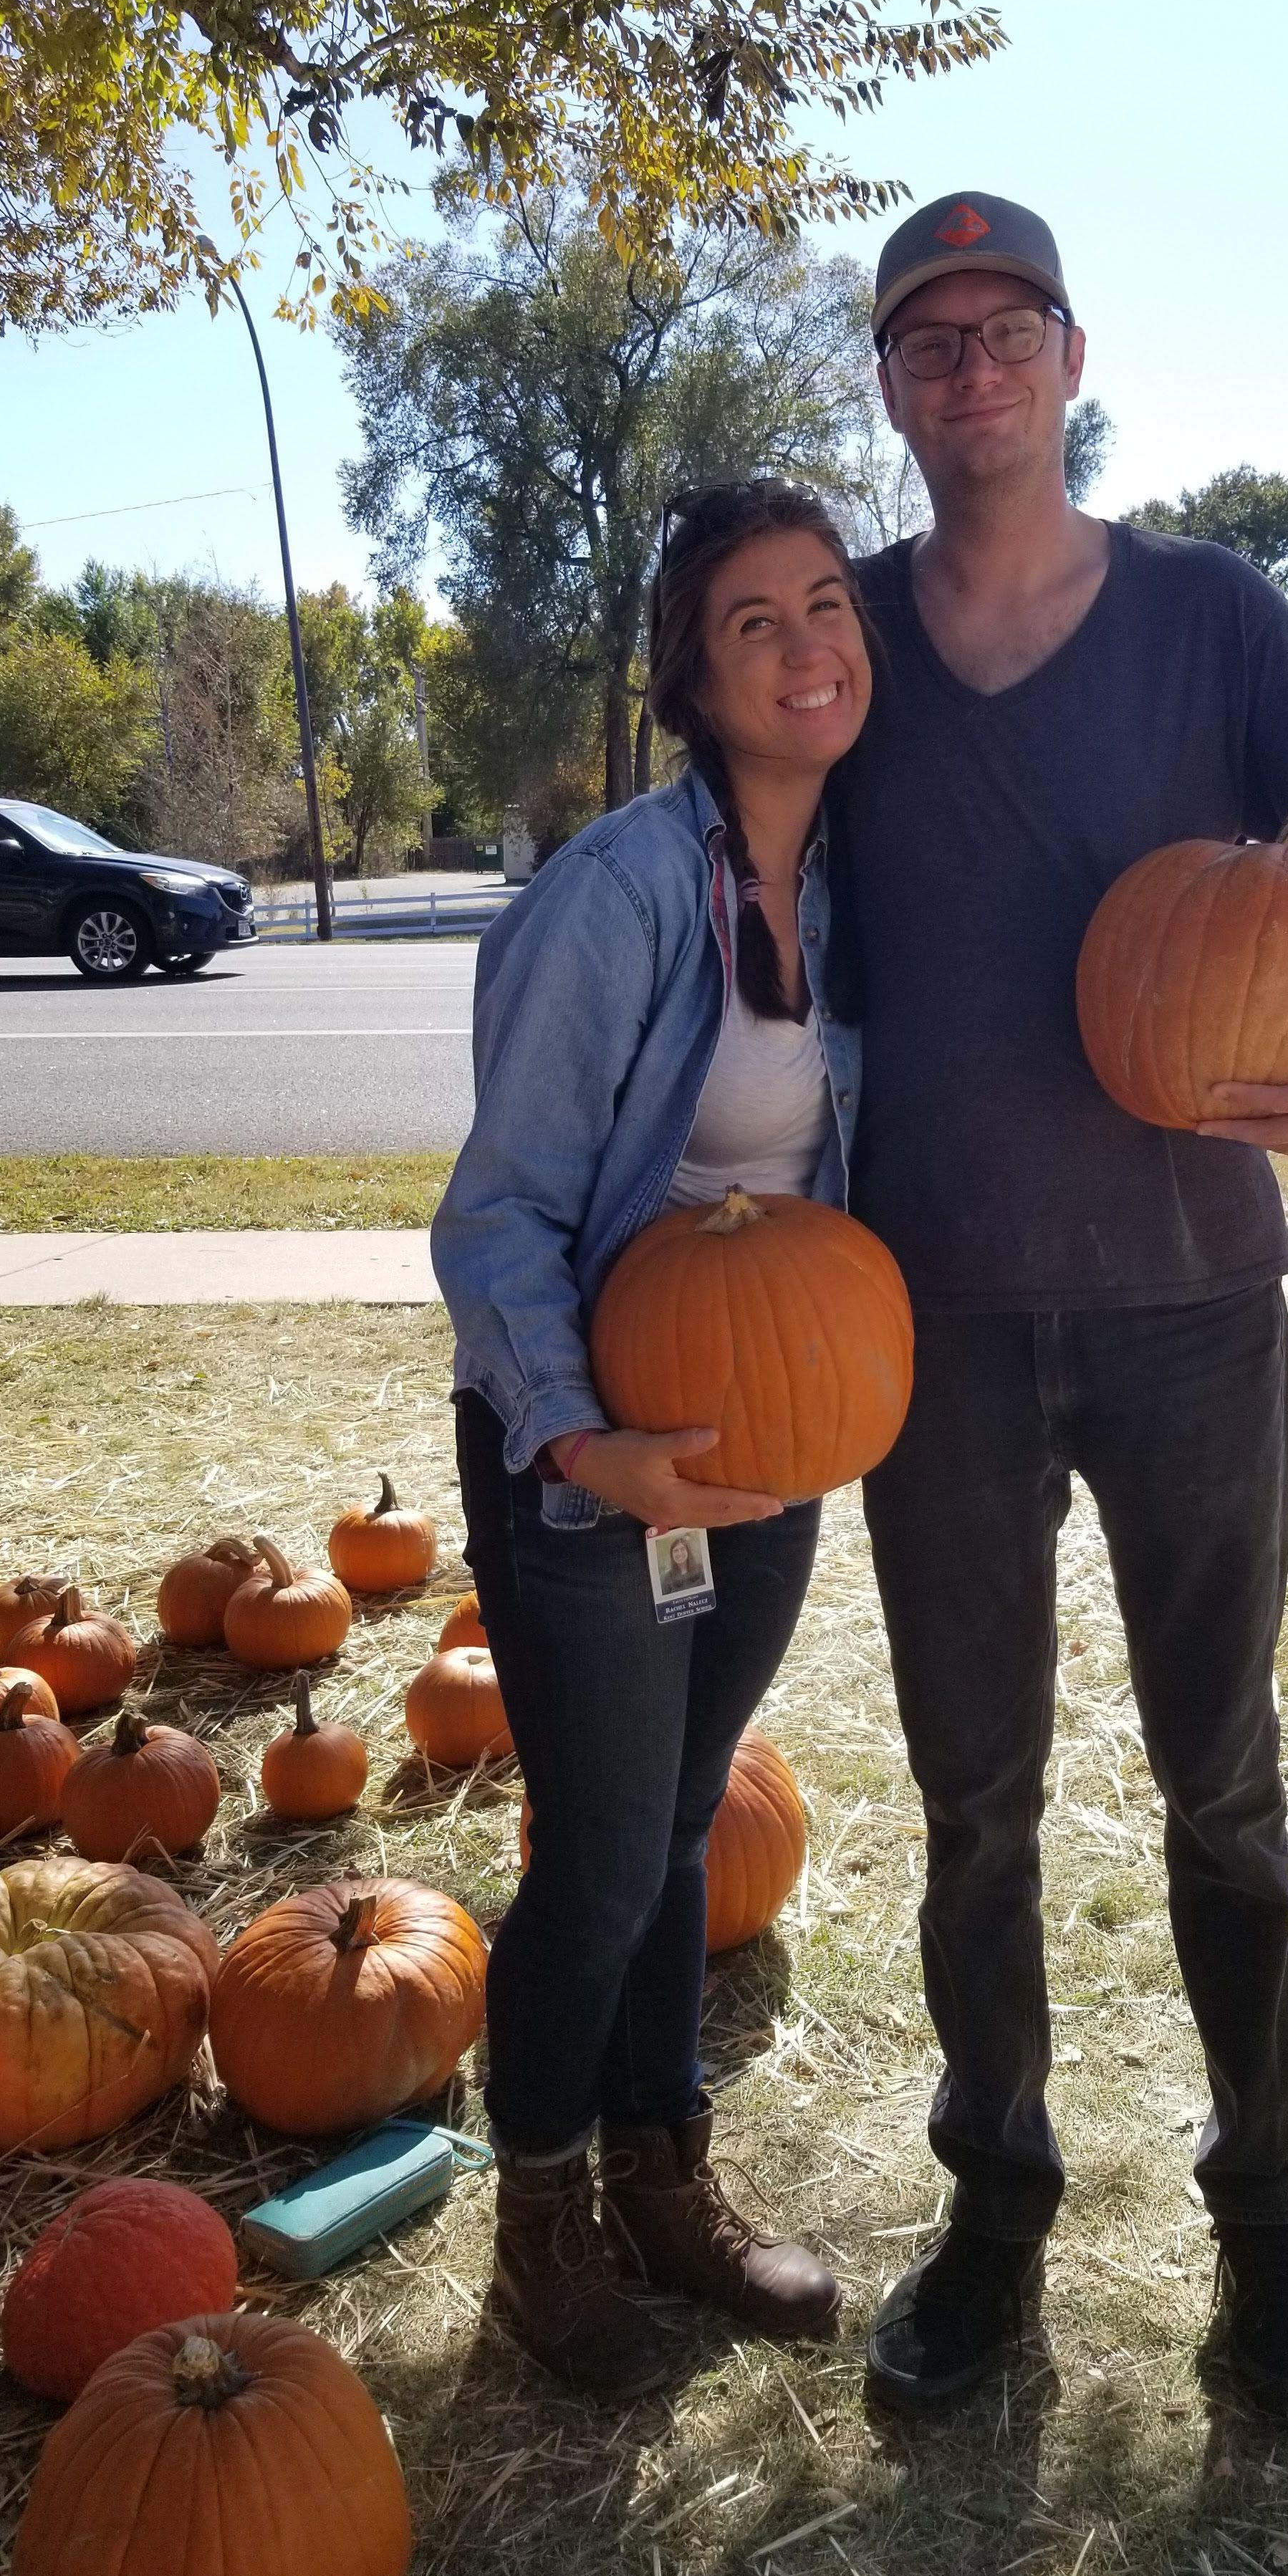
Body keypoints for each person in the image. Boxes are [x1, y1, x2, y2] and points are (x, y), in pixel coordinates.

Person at [834, 193, 1288, 2419]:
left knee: (1223, 1788)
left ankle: (1274, 2227)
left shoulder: (1216, 618)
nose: (971, 371)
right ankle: (993, 2214)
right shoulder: (843, 645)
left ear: (1072, 354)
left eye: (1004, 328)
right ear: (895, 389)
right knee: (974, 1801)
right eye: (927, 343)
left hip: (1195, 1305)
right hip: (925, 1328)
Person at [431, 478, 874, 2399]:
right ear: (694, 678)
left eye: (828, 603)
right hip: (591, 1449)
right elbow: (500, 1214)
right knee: (605, 1856)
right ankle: (541, 2228)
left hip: (764, 1433)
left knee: (688, 1832)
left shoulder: (865, 877)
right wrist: (587, 1453)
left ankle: (661, 2179)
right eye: (753, 620)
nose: (805, 645)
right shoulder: (617, 895)